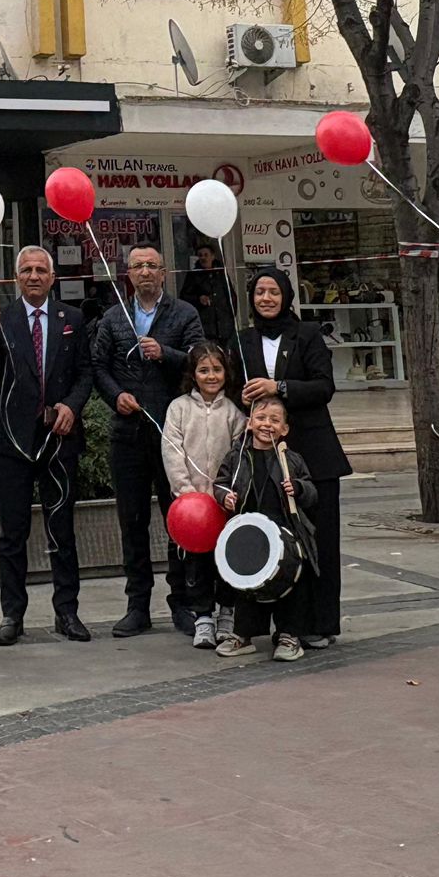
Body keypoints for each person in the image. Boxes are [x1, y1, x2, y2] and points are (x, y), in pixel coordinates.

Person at [0, 247, 94, 645]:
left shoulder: (73, 319)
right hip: (13, 440)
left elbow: (85, 372)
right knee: (13, 532)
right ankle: (13, 614)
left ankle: (68, 612)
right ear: (16, 277)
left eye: (40, 270)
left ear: (52, 277)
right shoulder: (2, 318)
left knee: (62, 529)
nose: (33, 276)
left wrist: (72, 406)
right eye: (26, 270)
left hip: (59, 438)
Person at [234, 270, 352, 647]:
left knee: (318, 540)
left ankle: (318, 623)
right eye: (259, 292)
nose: (266, 298)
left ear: (286, 296)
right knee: (270, 539)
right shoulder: (243, 339)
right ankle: (277, 625)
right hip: (264, 456)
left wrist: (279, 387)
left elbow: (324, 386)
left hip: (313, 453)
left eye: (273, 292)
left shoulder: (308, 334)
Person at [91, 246, 202, 636]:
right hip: (128, 434)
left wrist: (165, 353)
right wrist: (114, 395)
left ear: (164, 272)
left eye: (151, 266)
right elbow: (98, 365)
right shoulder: (113, 317)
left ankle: (182, 602)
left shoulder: (184, 314)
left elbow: (200, 361)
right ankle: (138, 605)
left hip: (173, 435)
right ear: (128, 274)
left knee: (179, 519)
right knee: (132, 521)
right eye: (137, 266)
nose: (144, 272)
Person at [214, 397, 317, 660]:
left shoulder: (291, 459)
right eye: (261, 418)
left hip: (287, 532)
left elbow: (312, 492)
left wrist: (300, 488)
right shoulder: (237, 456)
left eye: (274, 420)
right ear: (250, 423)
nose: (267, 424)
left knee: (290, 585)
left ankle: (289, 635)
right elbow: (221, 483)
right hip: (250, 531)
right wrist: (224, 496)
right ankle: (243, 635)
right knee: (248, 587)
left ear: (285, 429)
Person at [161, 341, 246, 649]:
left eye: (217, 369)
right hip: (192, 508)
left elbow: (238, 457)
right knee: (196, 564)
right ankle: (203, 618)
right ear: (193, 374)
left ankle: (227, 614)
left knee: (225, 561)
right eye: (204, 370)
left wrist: (226, 494)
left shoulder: (234, 413)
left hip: (224, 504)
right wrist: (187, 494)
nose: (211, 376)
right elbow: (172, 452)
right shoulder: (179, 408)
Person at [180, 242, 236, 349]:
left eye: (206, 255)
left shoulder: (221, 273)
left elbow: (231, 296)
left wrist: (230, 317)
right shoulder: (193, 275)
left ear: (213, 256)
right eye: (200, 255)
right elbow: (184, 297)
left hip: (225, 328)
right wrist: (198, 299)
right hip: (205, 328)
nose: (203, 258)